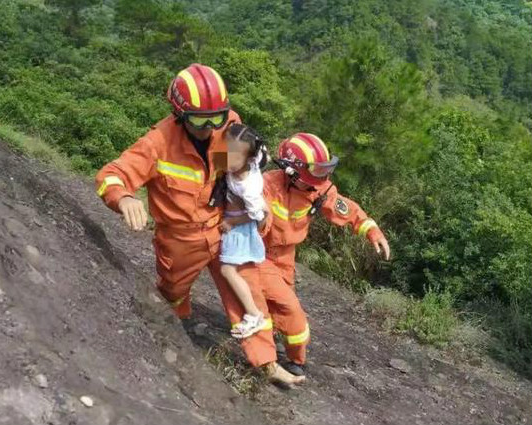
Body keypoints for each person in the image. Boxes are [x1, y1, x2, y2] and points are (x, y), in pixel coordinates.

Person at [95, 63, 306, 386]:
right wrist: (123, 197)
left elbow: (243, 166)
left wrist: (255, 205)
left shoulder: (229, 129)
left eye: (217, 117)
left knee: (247, 288)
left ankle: (266, 363)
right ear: (179, 114)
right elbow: (113, 174)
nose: (209, 127)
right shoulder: (159, 143)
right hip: (180, 238)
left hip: (223, 226)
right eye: (199, 120)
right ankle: (175, 327)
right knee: (173, 291)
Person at [262, 132, 391, 375]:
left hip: (285, 257)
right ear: (292, 172)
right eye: (316, 172)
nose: (322, 178)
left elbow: (346, 209)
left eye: (324, 171)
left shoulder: (317, 189)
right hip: (259, 255)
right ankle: (290, 361)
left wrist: (372, 230)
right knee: (290, 308)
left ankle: (276, 350)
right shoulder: (266, 186)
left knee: (275, 309)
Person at [219, 123, 269, 339]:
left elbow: (258, 214)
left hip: (240, 228)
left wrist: (232, 222)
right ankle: (253, 313)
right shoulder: (241, 162)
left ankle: (253, 314)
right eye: (225, 152)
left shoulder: (248, 187)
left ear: (248, 160)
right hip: (235, 220)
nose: (227, 159)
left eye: (233, 156)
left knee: (227, 270)